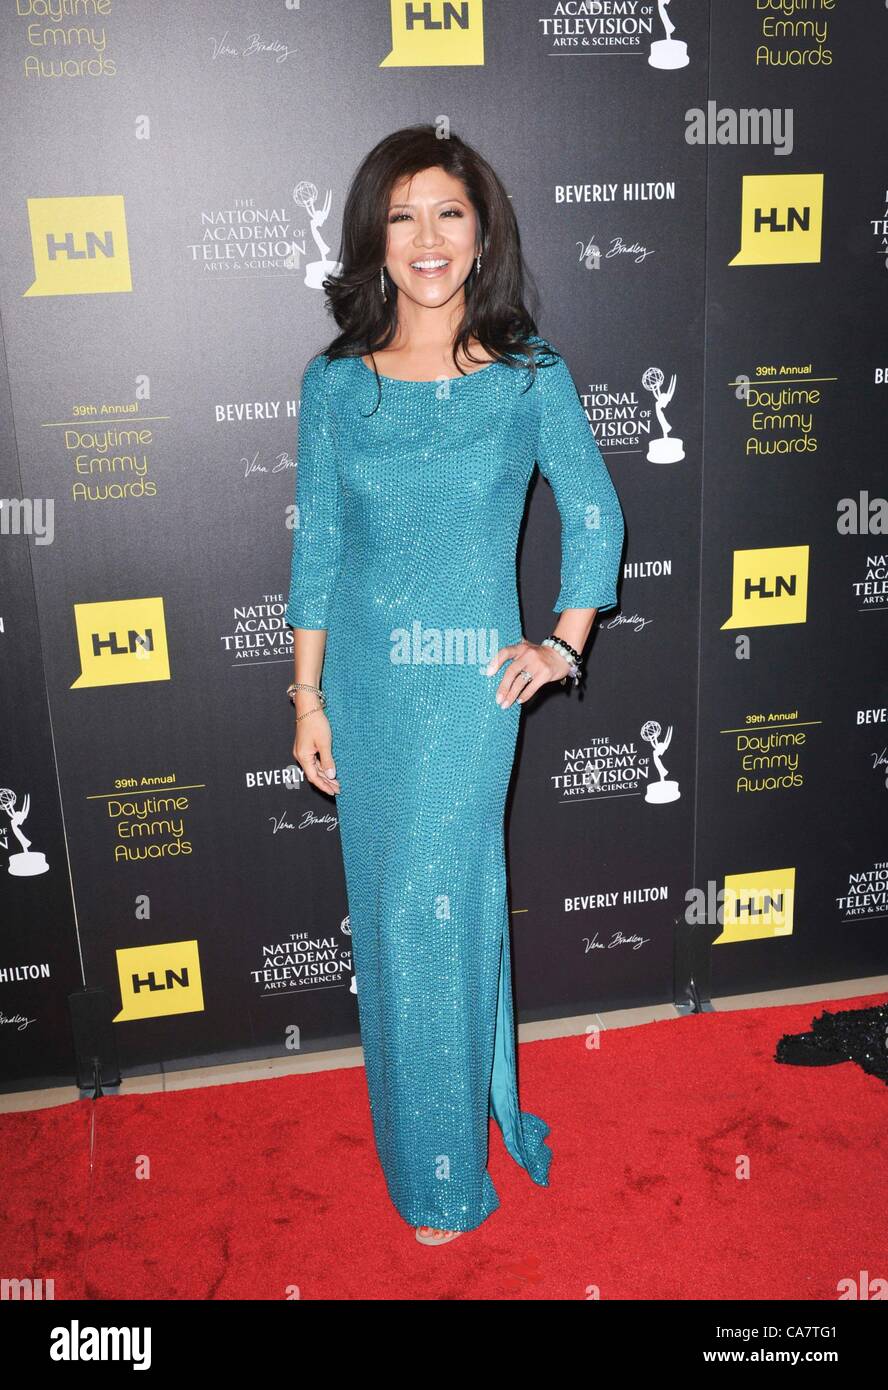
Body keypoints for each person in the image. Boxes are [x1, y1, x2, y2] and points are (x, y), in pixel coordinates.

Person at [285, 125, 625, 1246]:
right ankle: (426, 1129)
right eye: (403, 216)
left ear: (481, 238)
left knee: (439, 911)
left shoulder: (528, 374)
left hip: (471, 694)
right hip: (374, 695)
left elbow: (596, 508)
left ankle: (442, 1181)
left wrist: (562, 646)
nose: (427, 238)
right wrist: (308, 698)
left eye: (449, 214)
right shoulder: (335, 386)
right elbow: (320, 549)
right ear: (376, 241)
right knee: (395, 921)